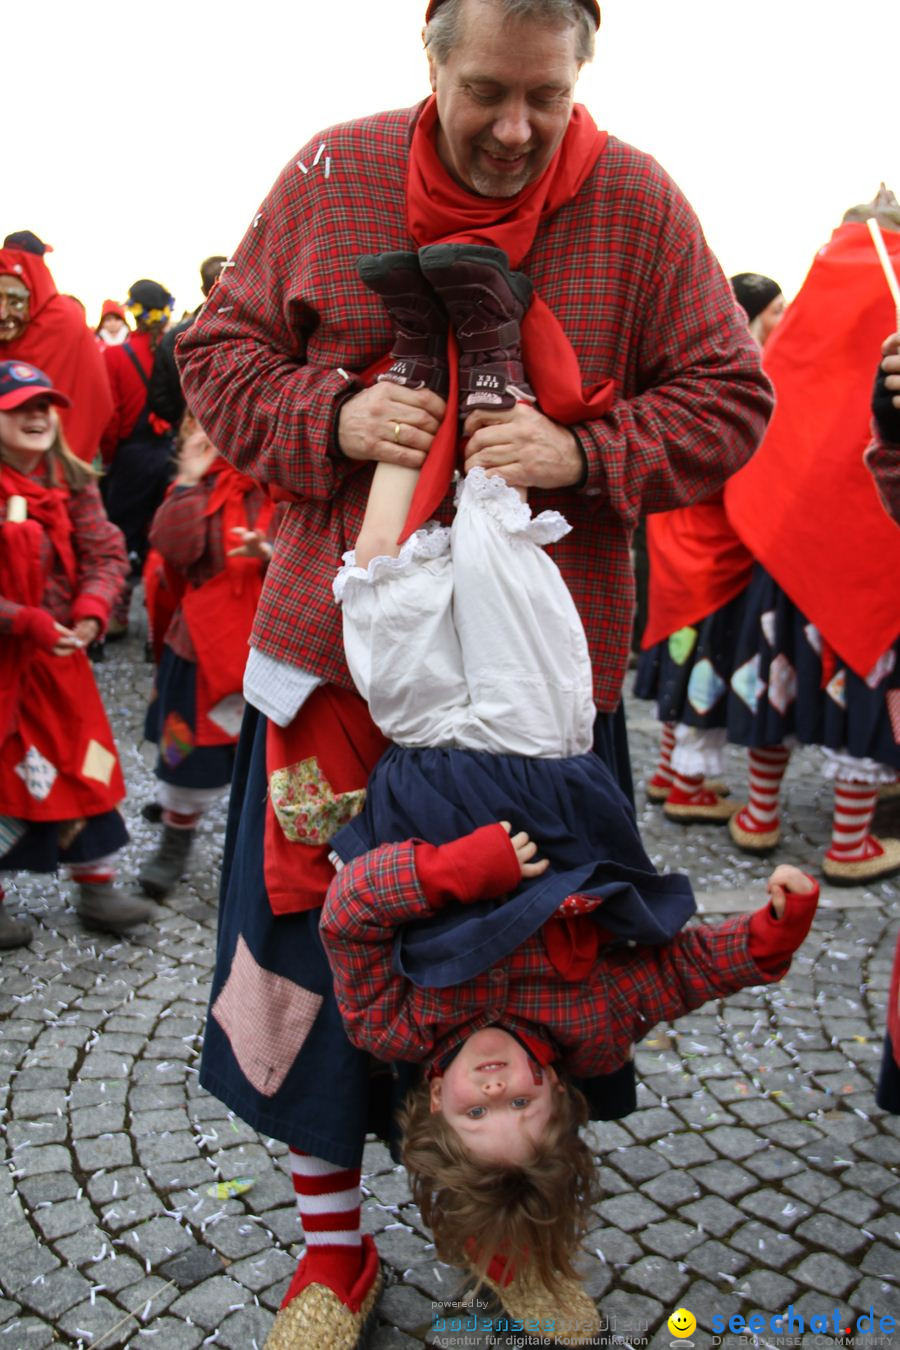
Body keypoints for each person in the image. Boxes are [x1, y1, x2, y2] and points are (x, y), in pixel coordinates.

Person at [178, 1, 772, 1343]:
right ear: (429, 59)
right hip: (336, 675)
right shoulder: (331, 173)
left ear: (582, 75)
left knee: (534, 973)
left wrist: (590, 453)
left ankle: (499, 1228)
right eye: (487, 91)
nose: (516, 128)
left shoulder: (638, 201)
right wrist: (327, 416)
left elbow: (732, 396)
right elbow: (214, 356)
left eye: (545, 99)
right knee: (305, 966)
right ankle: (334, 1255)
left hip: (541, 699)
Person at [722, 206, 900, 883]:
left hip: (796, 521)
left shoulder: (825, 285)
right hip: (872, 524)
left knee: (781, 671)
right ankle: (849, 843)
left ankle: (760, 817)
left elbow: (773, 388)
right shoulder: (894, 283)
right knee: (867, 673)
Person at [0, 361, 154, 947]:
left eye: (44, 405)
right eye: (20, 407)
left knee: (84, 758)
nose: (38, 416)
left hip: (61, 659)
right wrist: (30, 622)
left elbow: (106, 553)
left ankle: (97, 884)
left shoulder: (72, 479)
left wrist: (92, 611)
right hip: (8, 661)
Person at [635, 273, 784, 823]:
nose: (782, 320)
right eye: (774, 311)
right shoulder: (738, 377)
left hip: (680, 541)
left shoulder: (692, 366)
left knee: (683, 657)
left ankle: (671, 771)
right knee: (706, 661)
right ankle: (688, 785)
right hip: (714, 549)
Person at [138, 413, 275, 898]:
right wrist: (189, 481)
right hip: (199, 646)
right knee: (189, 753)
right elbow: (173, 549)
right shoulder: (196, 488)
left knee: (268, 757)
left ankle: (261, 854)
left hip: (270, 646)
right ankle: (175, 839)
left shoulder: (279, 480)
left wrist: (272, 555)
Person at [101, 279, 177, 636]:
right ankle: (157, 618)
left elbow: (111, 414)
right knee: (159, 535)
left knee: (120, 534)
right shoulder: (175, 351)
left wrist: (110, 457)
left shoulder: (114, 356)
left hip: (130, 455)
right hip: (169, 452)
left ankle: (116, 613)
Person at [0, 239, 113, 464]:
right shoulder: (68, 317)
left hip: (61, 466)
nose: (3, 313)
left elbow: (97, 399)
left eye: (15, 301)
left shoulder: (65, 320)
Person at [148, 256, 227, 427]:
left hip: (192, 431)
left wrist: (184, 422)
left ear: (202, 289)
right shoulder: (253, 330)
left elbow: (159, 396)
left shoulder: (175, 336)